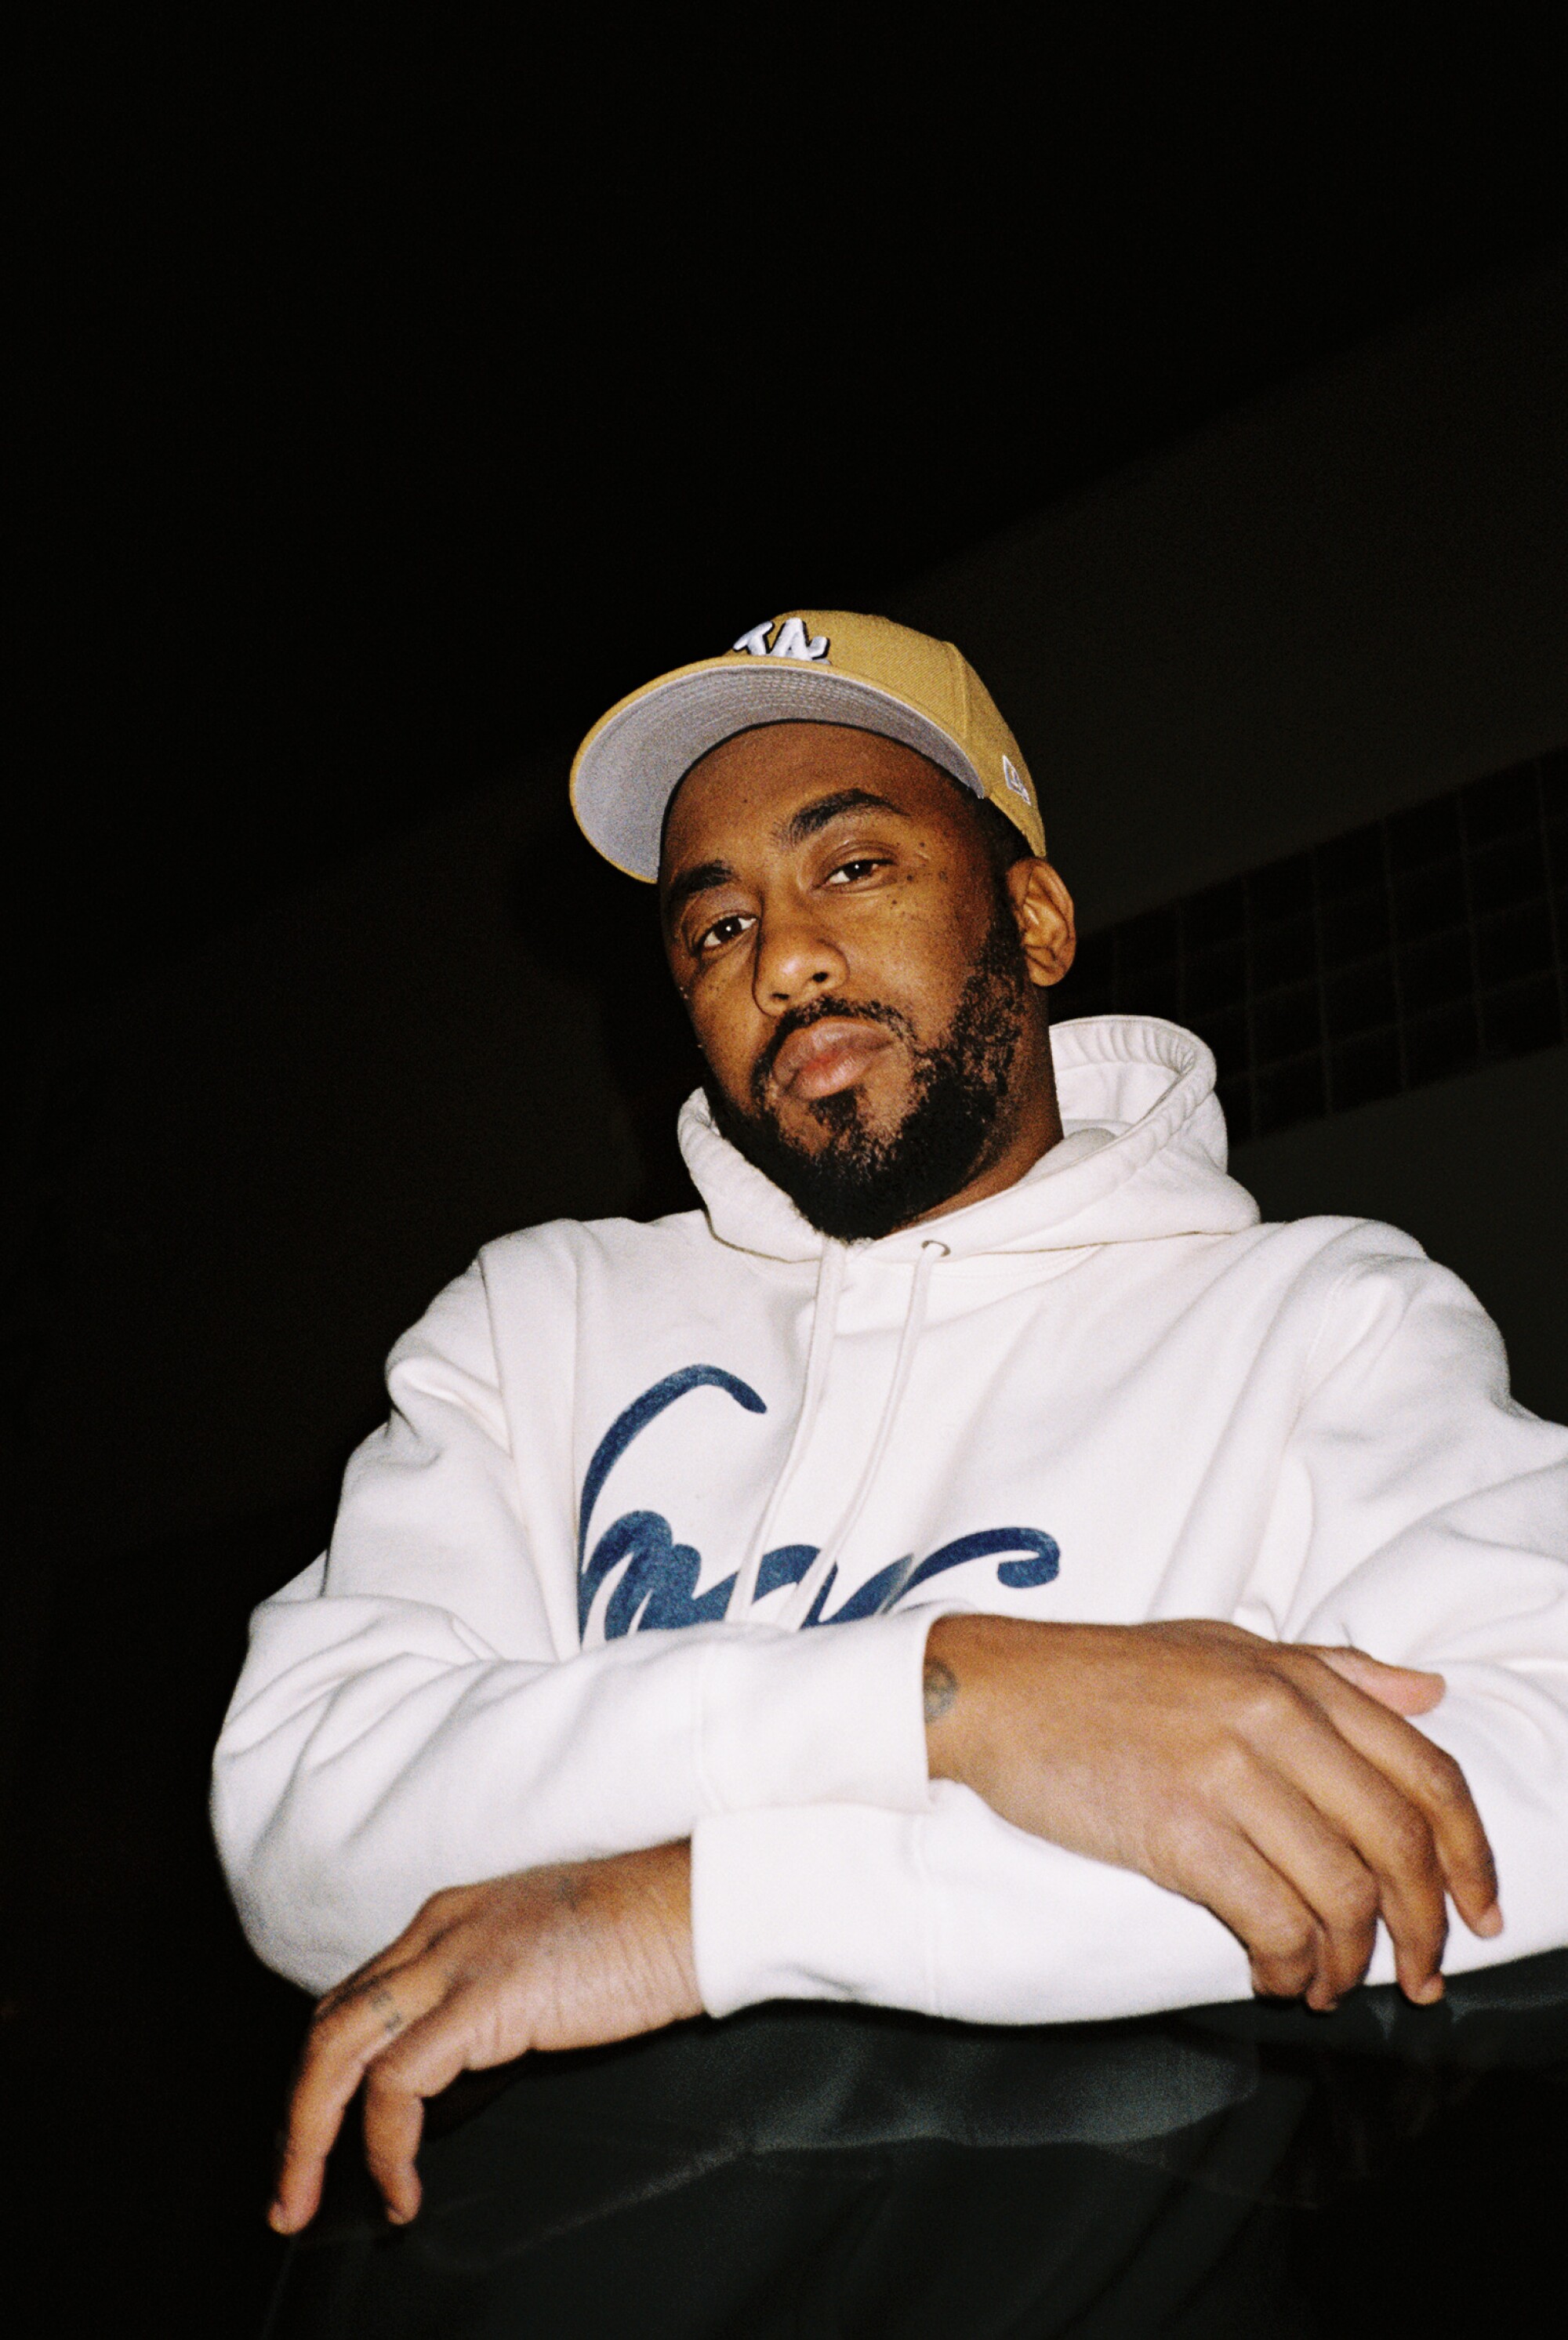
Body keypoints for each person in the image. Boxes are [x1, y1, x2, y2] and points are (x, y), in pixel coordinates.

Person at [212, 611, 1568, 2241]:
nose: (777, 958)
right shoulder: (536, 1319)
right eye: (710, 926)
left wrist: (706, 1911)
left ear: (1038, 917)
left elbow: (1526, 1784)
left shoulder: (1316, 1319)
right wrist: (957, 1696)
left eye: (850, 866)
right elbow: (310, 1825)